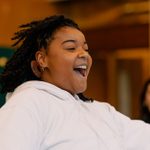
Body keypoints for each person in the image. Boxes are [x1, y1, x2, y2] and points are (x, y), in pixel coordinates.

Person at [0, 15, 150, 150]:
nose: (84, 54)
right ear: (42, 59)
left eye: (86, 48)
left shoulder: (102, 111)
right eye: (71, 48)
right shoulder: (27, 104)